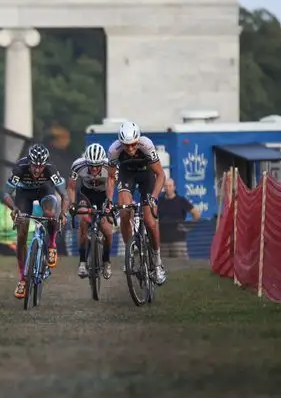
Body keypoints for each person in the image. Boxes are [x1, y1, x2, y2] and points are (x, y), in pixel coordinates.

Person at [1, 143, 71, 299]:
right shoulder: (20, 167)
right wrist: (14, 208)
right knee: (21, 233)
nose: (37, 170)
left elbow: (65, 195)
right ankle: (23, 279)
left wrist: (64, 214)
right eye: (34, 166)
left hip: (44, 191)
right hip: (24, 194)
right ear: (29, 162)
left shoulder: (50, 170)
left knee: (50, 213)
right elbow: (5, 193)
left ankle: (52, 245)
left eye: (41, 166)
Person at [106, 121, 167, 285]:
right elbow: (111, 177)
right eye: (127, 146)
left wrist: (153, 197)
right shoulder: (114, 150)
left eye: (133, 145)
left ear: (137, 140)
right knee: (125, 213)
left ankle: (158, 263)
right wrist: (109, 201)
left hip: (147, 176)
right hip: (127, 176)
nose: (131, 149)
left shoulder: (146, 145)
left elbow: (160, 175)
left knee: (150, 222)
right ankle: (131, 252)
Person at [67, 142, 114, 280]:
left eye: (97, 166)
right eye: (91, 166)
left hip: (103, 195)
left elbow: (111, 185)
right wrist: (72, 204)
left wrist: (110, 203)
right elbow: (71, 187)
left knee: (107, 230)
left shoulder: (109, 166)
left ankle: (106, 261)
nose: (94, 169)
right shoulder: (78, 165)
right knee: (83, 220)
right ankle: (82, 262)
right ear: (86, 162)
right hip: (86, 194)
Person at [157, 178, 200, 259]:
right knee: (164, 268)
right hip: (162, 242)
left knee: (181, 267)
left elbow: (196, 214)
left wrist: (188, 227)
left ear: (174, 187)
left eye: (170, 186)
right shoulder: (160, 201)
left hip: (178, 242)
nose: (168, 188)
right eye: (166, 186)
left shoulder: (181, 201)